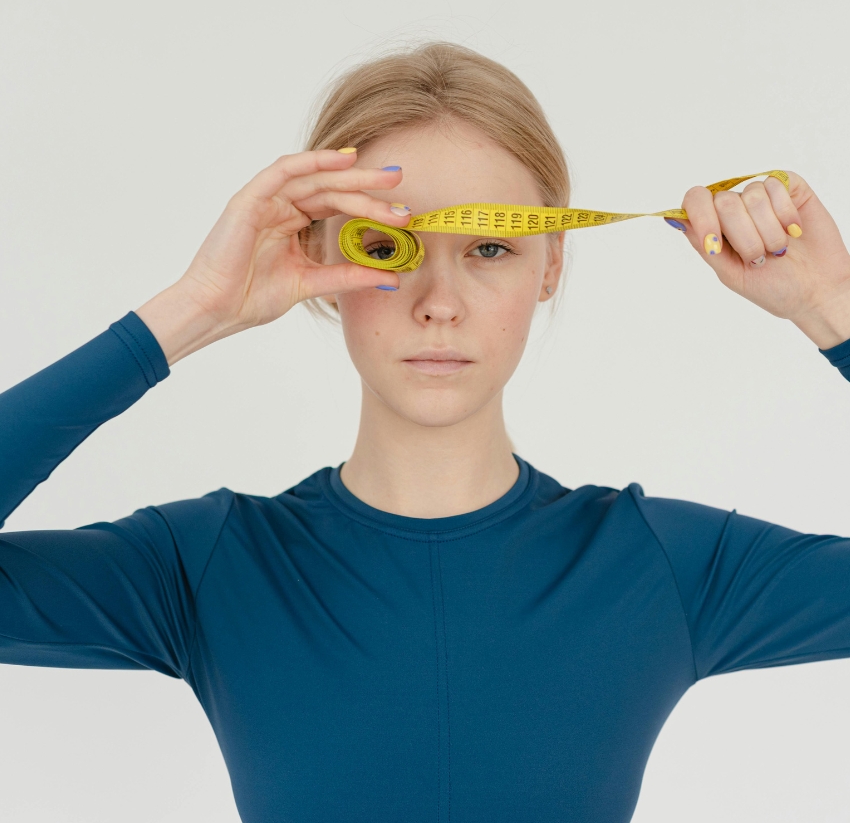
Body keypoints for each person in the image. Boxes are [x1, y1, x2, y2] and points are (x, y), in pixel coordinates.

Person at [2, 40, 849, 823]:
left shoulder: (655, 566)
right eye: (388, 248)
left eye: (489, 250)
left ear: (550, 264)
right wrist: (193, 308)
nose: (438, 302)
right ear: (316, 267)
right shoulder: (214, 567)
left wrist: (831, 308)